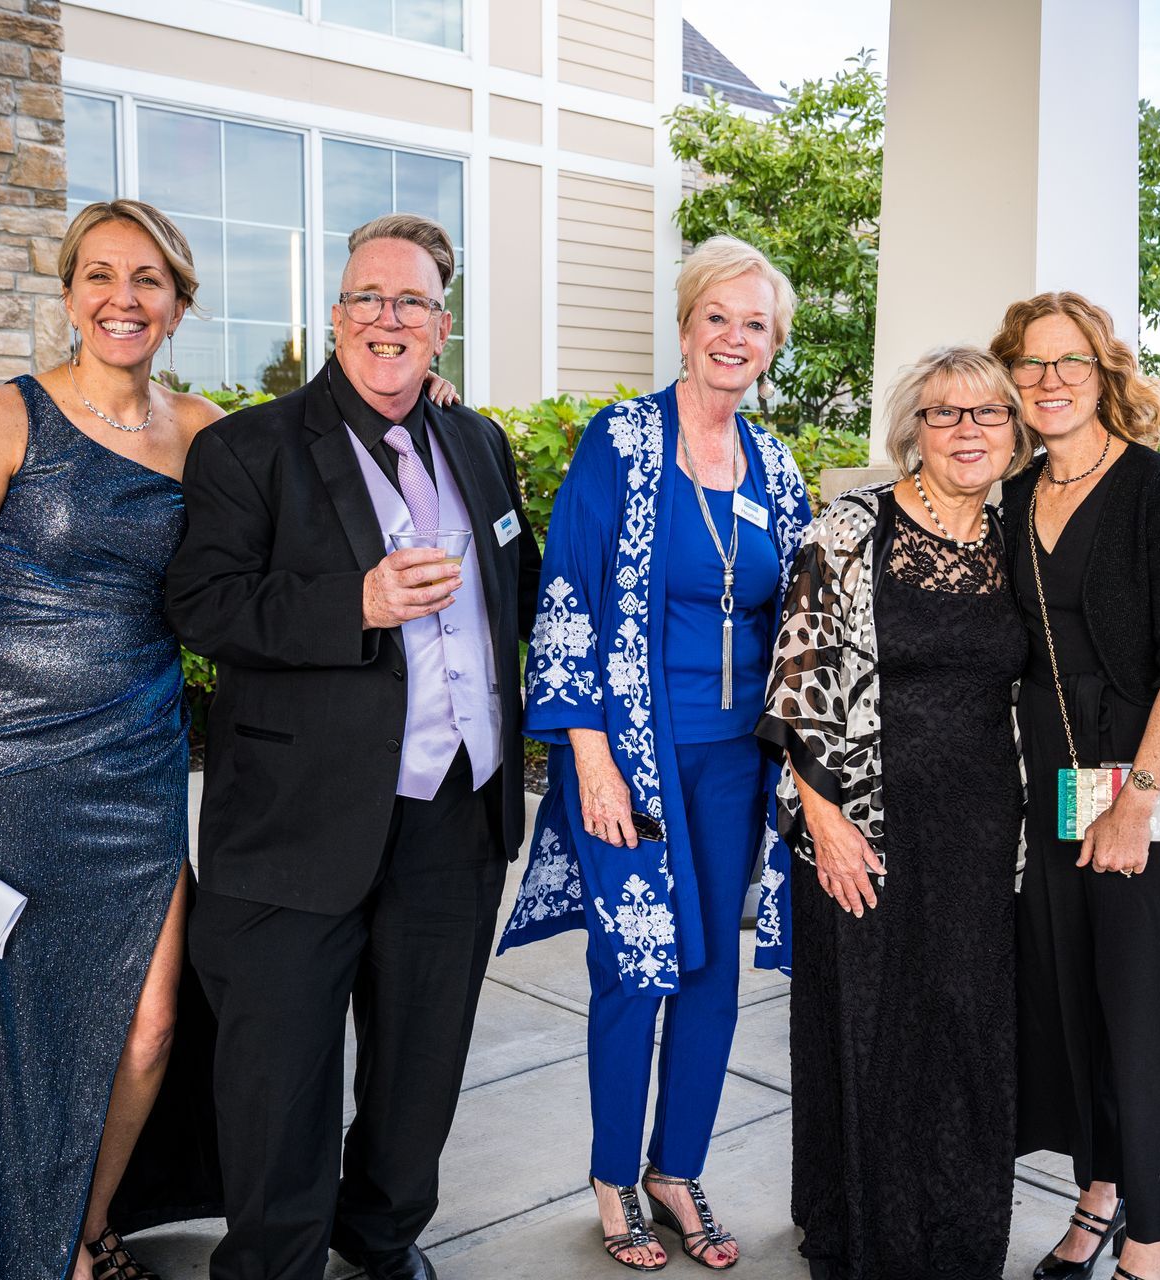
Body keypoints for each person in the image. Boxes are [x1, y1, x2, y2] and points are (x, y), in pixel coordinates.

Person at [164, 212, 539, 1280]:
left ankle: (379, 1238)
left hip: (452, 812)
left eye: (412, 301)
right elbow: (202, 604)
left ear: (441, 327)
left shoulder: (479, 441)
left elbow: (516, 588)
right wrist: (358, 600)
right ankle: (274, 1263)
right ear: (335, 318)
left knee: (420, 1067)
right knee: (277, 1079)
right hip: (296, 819)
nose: (390, 316)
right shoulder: (247, 446)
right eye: (369, 297)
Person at [0, 199, 227, 1280]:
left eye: (146, 280)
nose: (120, 299)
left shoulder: (206, 430)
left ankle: (80, 1222)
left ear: (178, 303)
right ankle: (48, 1251)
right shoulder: (4, 415)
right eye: (98, 275)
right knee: (18, 1033)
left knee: (149, 1026)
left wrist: (431, 403)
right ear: (70, 290)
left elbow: (325, 469)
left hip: (138, 762)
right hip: (11, 765)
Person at [498, 235, 813, 1272]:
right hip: (634, 751)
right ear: (686, 328)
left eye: (754, 324)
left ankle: (678, 1167)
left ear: (772, 347)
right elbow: (570, 601)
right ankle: (611, 1172)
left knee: (714, 968)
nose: (734, 337)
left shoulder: (777, 462)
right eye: (717, 317)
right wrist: (589, 759)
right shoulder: (622, 442)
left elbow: (806, 617)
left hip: (739, 760)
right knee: (636, 958)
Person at [761, 345, 1030, 1280]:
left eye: (988, 414)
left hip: (987, 829)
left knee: (965, 1026)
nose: (967, 430)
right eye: (946, 413)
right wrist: (823, 817)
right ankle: (865, 1233)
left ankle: (958, 1237)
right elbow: (796, 685)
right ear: (912, 429)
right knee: (871, 1028)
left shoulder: (1023, 538)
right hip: (866, 821)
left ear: (1015, 432)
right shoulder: (849, 529)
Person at [992, 292, 1160, 1280]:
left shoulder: (1156, 490)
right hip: (1046, 769)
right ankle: (1098, 1190)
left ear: (1106, 372)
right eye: (1031, 364)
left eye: (1069, 361)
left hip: (1137, 769)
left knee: (1144, 1002)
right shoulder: (1008, 493)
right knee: (1072, 991)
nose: (1050, 380)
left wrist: (1134, 798)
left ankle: (1152, 1239)